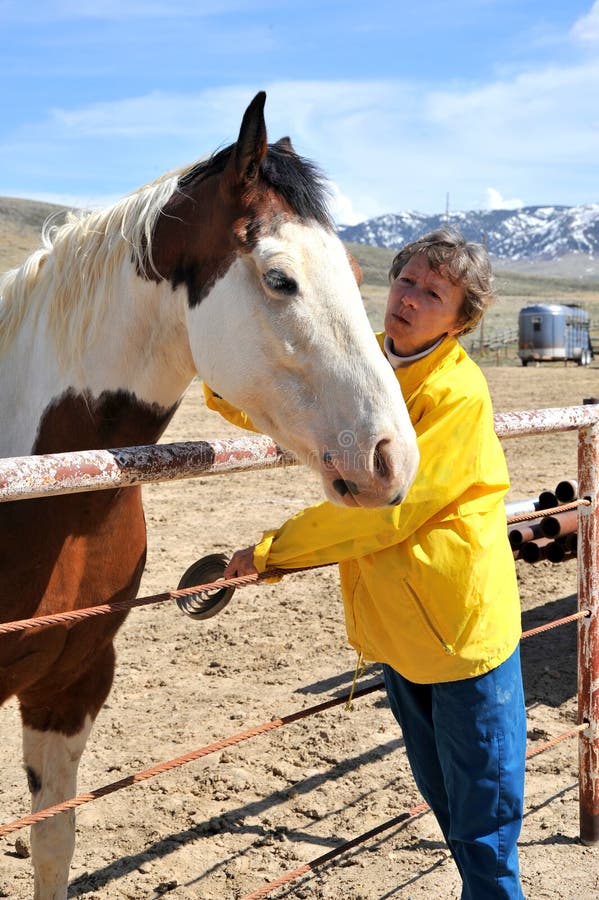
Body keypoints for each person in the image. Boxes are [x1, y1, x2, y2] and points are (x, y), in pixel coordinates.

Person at [204, 227, 527, 899]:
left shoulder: (455, 395)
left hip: (459, 637)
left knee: (483, 826)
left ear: (461, 319)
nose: (407, 299)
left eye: (432, 293)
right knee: (445, 801)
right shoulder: (370, 362)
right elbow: (302, 405)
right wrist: (221, 390)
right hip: (399, 633)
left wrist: (268, 554)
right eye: (405, 280)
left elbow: (383, 512)